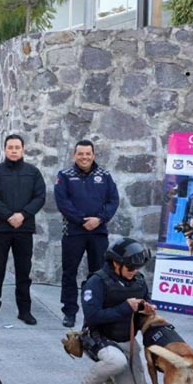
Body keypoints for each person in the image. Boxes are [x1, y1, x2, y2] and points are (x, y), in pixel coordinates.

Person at [79, 237, 153, 384]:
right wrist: (125, 308)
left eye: (137, 267)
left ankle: (112, 375)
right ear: (115, 263)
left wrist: (147, 308)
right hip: (101, 337)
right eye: (130, 267)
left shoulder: (138, 280)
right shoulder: (96, 281)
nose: (134, 271)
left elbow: (146, 300)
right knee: (116, 362)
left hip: (127, 339)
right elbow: (92, 316)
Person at [54, 140, 119, 328]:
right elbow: (63, 202)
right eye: (80, 154)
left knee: (98, 274)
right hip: (74, 232)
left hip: (98, 232)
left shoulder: (104, 176)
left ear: (94, 155)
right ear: (74, 155)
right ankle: (69, 312)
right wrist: (83, 221)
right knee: (69, 273)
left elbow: (113, 201)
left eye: (88, 154)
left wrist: (98, 219)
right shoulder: (64, 175)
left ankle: (95, 312)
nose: (84, 157)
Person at [0, 134, 46, 325]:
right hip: (1, 229)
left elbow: (39, 197)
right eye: (10, 147)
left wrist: (23, 215)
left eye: (17, 147)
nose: (13, 150)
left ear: (23, 150)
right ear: (5, 150)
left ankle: (24, 311)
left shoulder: (33, 172)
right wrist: (9, 216)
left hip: (23, 229)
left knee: (23, 272)